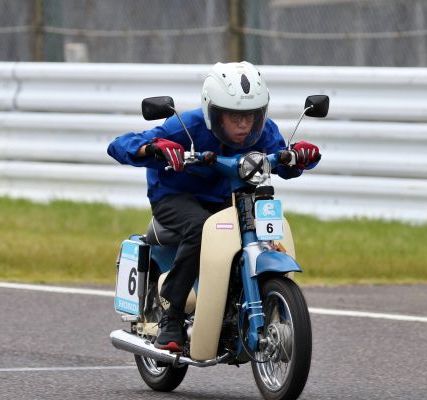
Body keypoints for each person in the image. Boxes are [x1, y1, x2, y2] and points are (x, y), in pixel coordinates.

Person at [107, 61, 321, 352]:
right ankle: (172, 316)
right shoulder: (187, 127)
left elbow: (283, 162)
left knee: (258, 226)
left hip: (230, 198)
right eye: (234, 116)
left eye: (251, 116)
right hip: (174, 196)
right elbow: (119, 145)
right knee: (200, 227)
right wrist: (155, 148)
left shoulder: (264, 131)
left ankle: (240, 303)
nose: (244, 125)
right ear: (213, 112)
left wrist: (300, 156)